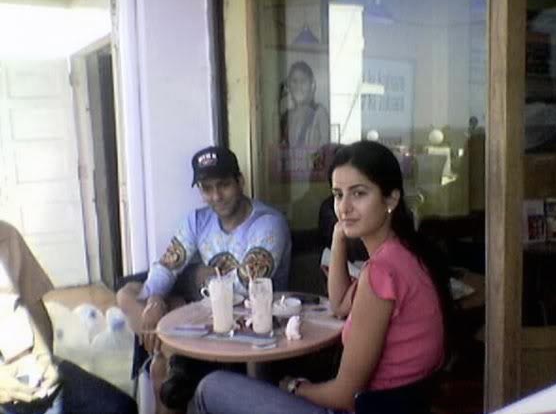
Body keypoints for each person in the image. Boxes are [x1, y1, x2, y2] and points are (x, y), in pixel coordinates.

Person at [188, 140, 453, 414]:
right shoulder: (405, 255)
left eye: (359, 194)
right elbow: (339, 305)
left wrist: (294, 387)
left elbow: (345, 396)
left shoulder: (382, 272)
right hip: (401, 405)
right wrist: (340, 234)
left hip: (366, 408)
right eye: (338, 195)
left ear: (391, 199)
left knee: (211, 387)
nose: (344, 207)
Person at [117, 145, 292, 414]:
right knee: (128, 294)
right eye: (207, 188)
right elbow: (167, 266)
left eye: (224, 185)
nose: (216, 196)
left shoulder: (269, 224)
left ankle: (173, 359)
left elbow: (245, 285)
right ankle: (169, 354)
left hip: (252, 323)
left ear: (240, 181)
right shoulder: (198, 220)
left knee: (163, 363)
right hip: (207, 315)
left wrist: (194, 283)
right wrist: (155, 299)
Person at [0, 220, 137, 414]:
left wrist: (43, 357)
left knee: (120, 408)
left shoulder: (6, 235)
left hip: (27, 363)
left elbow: (35, 308)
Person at [280, 61, 329, 149]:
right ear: (289, 85)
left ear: (311, 85)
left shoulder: (319, 113)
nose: (298, 86)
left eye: (303, 81)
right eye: (294, 81)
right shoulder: (287, 116)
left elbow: (325, 150)